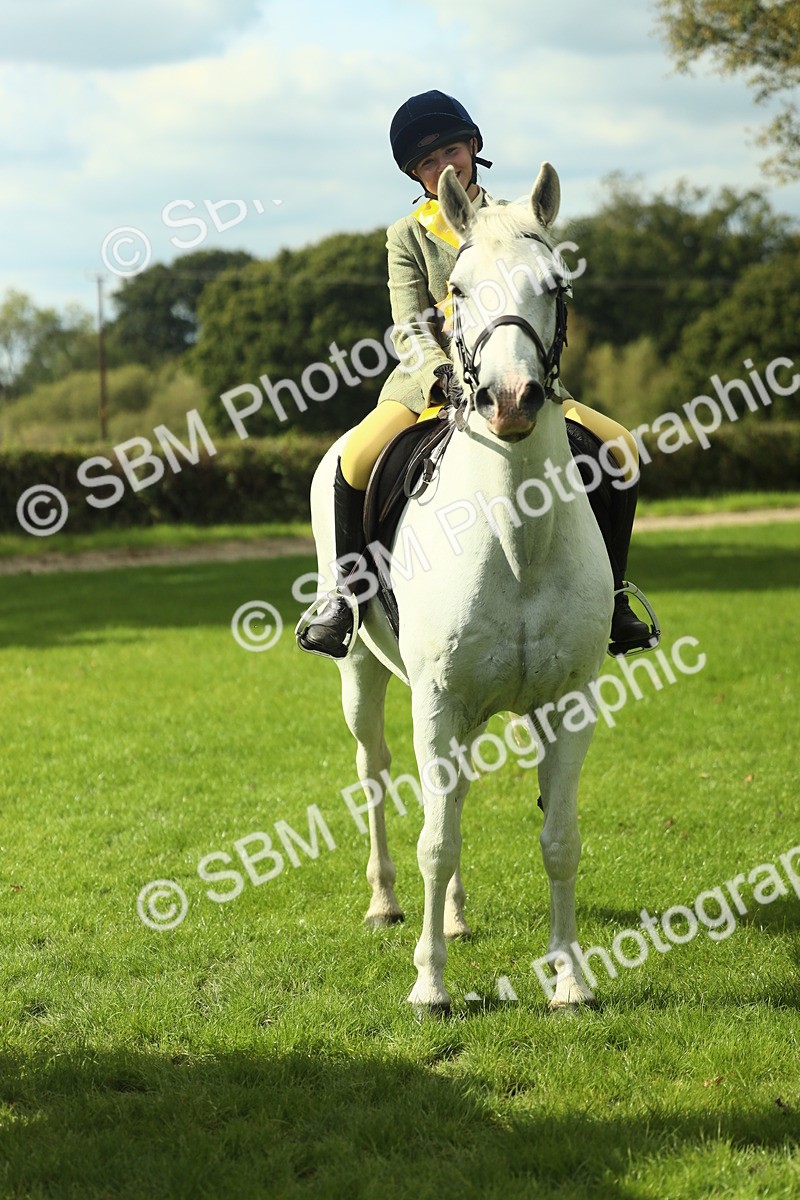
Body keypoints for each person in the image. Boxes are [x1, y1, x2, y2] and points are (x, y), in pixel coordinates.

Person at [298, 90, 654, 660]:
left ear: (474, 148)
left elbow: (544, 304)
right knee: (354, 460)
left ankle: (612, 597)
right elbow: (408, 325)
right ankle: (344, 597)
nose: (445, 166)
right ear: (416, 174)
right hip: (426, 389)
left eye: (451, 151)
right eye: (429, 162)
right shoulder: (405, 237)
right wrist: (441, 375)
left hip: (519, 378)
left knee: (621, 451)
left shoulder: (521, 220)